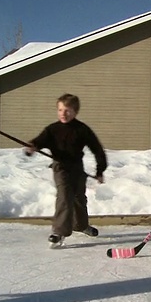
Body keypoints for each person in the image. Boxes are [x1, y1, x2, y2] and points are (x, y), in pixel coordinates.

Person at [25, 94, 107, 248]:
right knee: (64, 196)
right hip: (60, 168)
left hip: (77, 168)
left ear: (75, 112)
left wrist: (100, 171)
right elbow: (39, 141)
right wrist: (32, 147)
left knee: (79, 199)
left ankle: (81, 226)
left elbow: (97, 150)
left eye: (67, 110)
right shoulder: (52, 129)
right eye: (60, 110)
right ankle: (59, 231)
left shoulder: (82, 129)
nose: (63, 113)